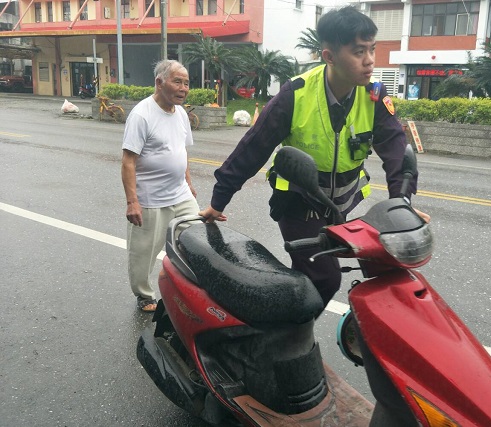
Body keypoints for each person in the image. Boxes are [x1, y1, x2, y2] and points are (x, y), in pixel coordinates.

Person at [199, 6, 430, 307]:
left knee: (381, 268)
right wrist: (218, 201)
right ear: (329, 56)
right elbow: (252, 148)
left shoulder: (373, 96)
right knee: (325, 278)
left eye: (372, 49)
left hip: (339, 207)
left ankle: (297, 323)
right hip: (298, 201)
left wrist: (402, 203)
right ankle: (287, 340)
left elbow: (397, 152)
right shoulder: (296, 94)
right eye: (359, 51)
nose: (370, 61)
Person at [121, 59, 199, 312]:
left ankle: (188, 288)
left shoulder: (181, 114)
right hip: (151, 199)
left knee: (197, 240)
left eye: (186, 83)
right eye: (178, 81)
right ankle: (144, 294)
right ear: (159, 82)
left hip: (181, 194)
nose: (184, 88)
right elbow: (128, 161)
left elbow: (181, 151)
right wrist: (133, 201)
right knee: (144, 252)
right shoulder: (142, 115)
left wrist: (188, 182)